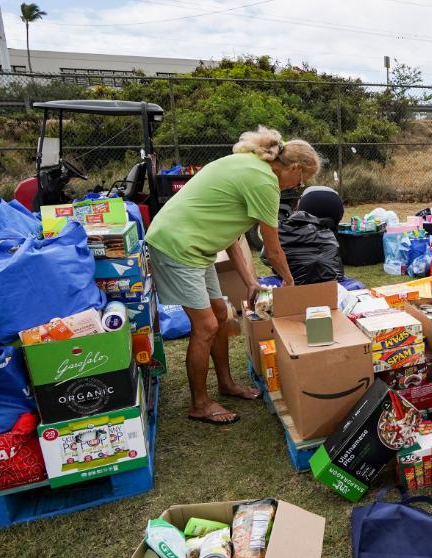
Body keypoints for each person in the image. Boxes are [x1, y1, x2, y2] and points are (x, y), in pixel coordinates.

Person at [146, 126, 320, 425]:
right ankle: (199, 404)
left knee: (221, 315)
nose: (297, 186)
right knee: (206, 326)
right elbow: (273, 249)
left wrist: (251, 282)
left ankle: (225, 384)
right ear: (292, 168)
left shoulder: (248, 165)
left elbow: (234, 236)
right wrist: (289, 282)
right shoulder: (265, 181)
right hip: (177, 246)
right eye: (301, 180)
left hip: (197, 248)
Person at [272, 186, 345, 285]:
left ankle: (306, 268)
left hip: (310, 201)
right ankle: (329, 269)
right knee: (329, 235)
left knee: (305, 230)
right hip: (335, 203)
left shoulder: (305, 193)